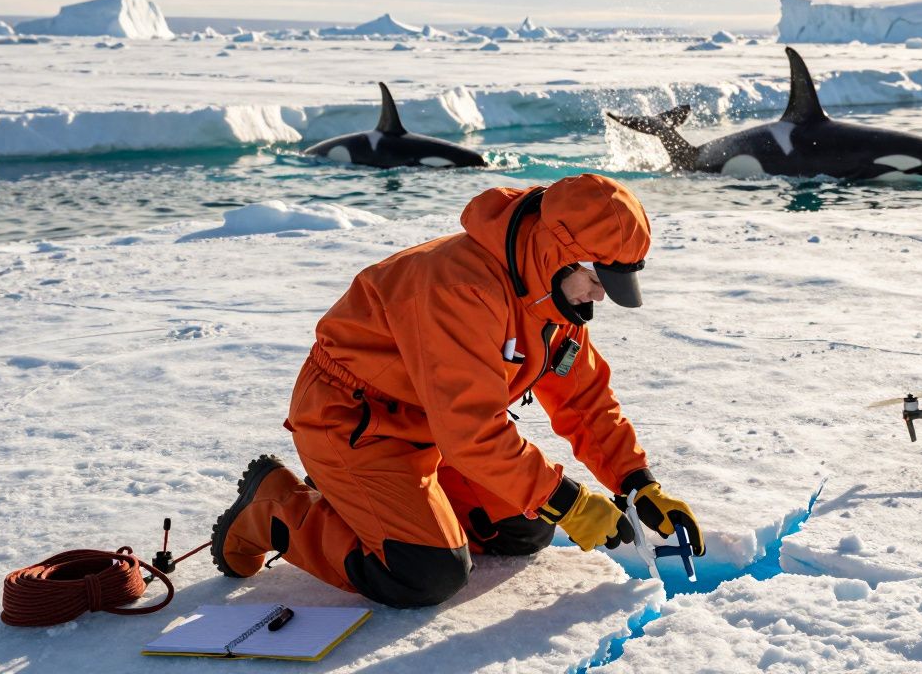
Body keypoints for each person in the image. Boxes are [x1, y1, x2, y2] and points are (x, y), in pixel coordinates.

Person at [210, 173, 704, 608]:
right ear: (561, 253)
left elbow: (583, 399)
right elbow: (472, 432)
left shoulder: (550, 296)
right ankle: (275, 506)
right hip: (355, 421)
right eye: (598, 279)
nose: (601, 295)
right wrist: (570, 501)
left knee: (523, 528)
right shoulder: (458, 288)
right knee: (425, 574)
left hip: (434, 428)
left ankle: (370, 503)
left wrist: (637, 484)